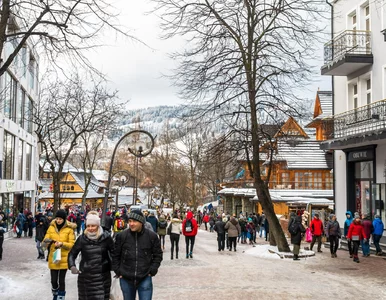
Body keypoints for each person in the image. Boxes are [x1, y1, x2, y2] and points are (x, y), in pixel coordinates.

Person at [112, 210, 163, 300]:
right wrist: (118, 271)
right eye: (130, 221)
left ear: (141, 222)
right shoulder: (122, 236)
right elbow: (115, 255)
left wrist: (152, 270)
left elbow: (158, 254)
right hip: (126, 277)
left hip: (145, 276)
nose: (131, 224)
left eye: (134, 221)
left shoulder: (151, 236)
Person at [68, 211, 114, 299]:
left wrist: (117, 268)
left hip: (102, 277)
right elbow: (72, 254)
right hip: (85, 277)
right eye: (88, 226)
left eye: (93, 226)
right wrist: (72, 266)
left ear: (98, 225)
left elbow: (114, 253)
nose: (90, 228)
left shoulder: (106, 237)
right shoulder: (82, 239)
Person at [43, 209, 76, 300]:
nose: (58, 221)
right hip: (54, 257)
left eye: (60, 219)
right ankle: (55, 294)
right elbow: (46, 239)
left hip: (64, 258)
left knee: (61, 280)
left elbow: (72, 244)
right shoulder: (51, 227)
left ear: (64, 219)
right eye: (57, 218)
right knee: (53, 281)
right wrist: (46, 243)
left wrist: (62, 244)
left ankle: (60, 298)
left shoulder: (69, 229)